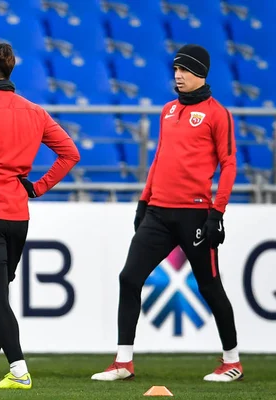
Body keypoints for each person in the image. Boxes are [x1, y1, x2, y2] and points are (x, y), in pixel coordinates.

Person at [91, 44, 243, 382]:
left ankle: (232, 361)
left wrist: (217, 213)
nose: (178, 75)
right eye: (175, 70)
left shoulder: (219, 114)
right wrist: (144, 201)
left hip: (195, 216)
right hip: (158, 213)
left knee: (210, 286)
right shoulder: (167, 111)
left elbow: (230, 164)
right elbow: (160, 156)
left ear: (201, 73)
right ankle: (123, 362)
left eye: (185, 70)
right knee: (128, 278)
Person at [0, 39, 81, 390]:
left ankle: (19, 371)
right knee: (0, 295)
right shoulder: (35, 111)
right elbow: (70, 153)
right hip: (17, 217)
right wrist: (38, 187)